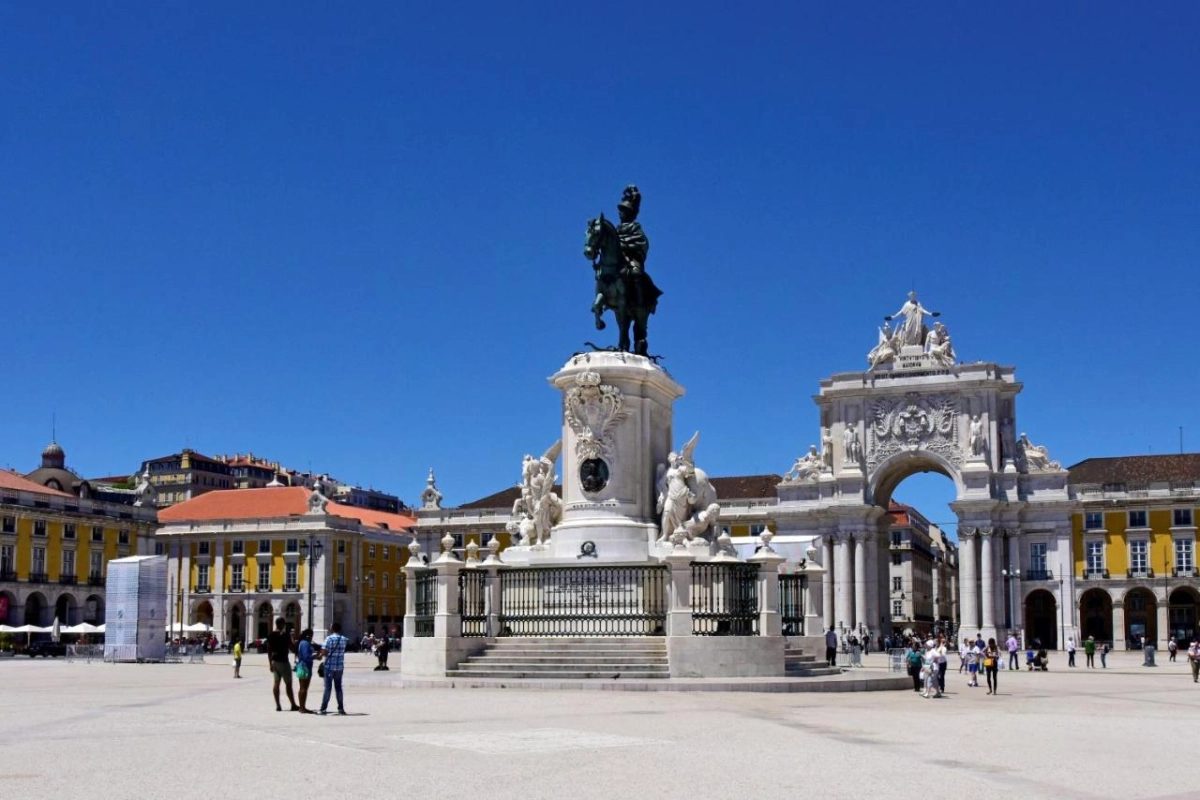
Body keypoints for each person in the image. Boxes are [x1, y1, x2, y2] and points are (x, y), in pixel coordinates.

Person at [266, 617, 299, 712]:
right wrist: (293, 640)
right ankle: (293, 704)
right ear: (281, 624)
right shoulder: (285, 635)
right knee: (288, 684)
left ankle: (278, 705)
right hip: (284, 661)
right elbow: (292, 648)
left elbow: (269, 650)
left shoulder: (271, 635)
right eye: (284, 624)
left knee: (276, 683)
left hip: (274, 662)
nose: (285, 626)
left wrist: (270, 663)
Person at [318, 621, 348, 716]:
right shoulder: (343, 639)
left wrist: (320, 654)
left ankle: (323, 708)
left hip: (329, 666)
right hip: (339, 666)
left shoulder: (329, 638)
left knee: (328, 688)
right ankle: (341, 708)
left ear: (332, 628)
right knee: (339, 688)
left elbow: (325, 652)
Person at [295, 628, 317, 714]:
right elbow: (306, 656)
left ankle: (302, 706)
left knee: (302, 688)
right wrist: (315, 657)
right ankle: (302, 707)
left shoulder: (303, 642)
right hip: (305, 667)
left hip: (303, 666)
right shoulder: (305, 643)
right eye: (311, 635)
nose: (312, 637)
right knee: (303, 688)